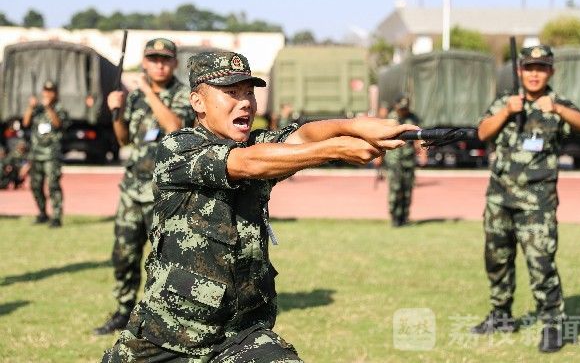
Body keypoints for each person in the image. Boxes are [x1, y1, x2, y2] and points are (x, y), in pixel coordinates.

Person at [101, 51, 418, 362]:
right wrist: (335, 148)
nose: (245, 102)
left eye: (249, 93)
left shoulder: (255, 143)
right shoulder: (178, 147)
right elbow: (246, 164)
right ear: (197, 102)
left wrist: (359, 126)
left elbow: (301, 136)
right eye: (231, 92)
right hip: (167, 335)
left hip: (239, 335)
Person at [472, 45, 580, 353]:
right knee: (496, 261)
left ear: (550, 71)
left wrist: (558, 109)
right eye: (529, 67)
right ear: (519, 71)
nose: (534, 73)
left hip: (537, 203)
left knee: (541, 263)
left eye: (541, 67)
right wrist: (506, 111)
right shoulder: (505, 102)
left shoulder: (557, 104)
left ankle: (554, 325)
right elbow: (483, 133)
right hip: (499, 199)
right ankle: (501, 315)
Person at [94, 38, 195, 335]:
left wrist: (149, 92)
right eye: (153, 59)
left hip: (164, 193)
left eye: (165, 59)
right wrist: (116, 111)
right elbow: (124, 139)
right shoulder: (135, 98)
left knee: (162, 258)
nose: (159, 64)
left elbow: (174, 126)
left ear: (175, 63)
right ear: (145, 61)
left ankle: (157, 316)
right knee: (124, 256)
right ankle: (123, 312)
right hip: (131, 189)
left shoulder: (183, 95)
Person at [21, 80, 68, 228]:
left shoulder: (59, 109)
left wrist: (49, 108)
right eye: (45, 91)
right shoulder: (37, 109)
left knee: (53, 185)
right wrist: (30, 107)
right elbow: (26, 123)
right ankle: (42, 212)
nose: (47, 94)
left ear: (56, 93)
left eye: (51, 91)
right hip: (36, 153)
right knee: (35, 185)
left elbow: (58, 124)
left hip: (51, 154)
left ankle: (56, 216)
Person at [375, 96, 427, 227]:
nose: (403, 111)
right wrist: (378, 157)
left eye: (405, 108)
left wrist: (423, 153)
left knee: (407, 190)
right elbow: (381, 139)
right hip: (393, 161)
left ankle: (404, 217)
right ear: (396, 106)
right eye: (401, 108)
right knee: (395, 189)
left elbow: (419, 138)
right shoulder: (389, 119)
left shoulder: (413, 118)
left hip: (408, 160)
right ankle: (395, 218)